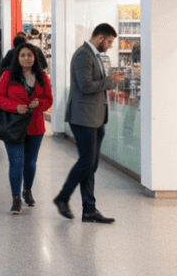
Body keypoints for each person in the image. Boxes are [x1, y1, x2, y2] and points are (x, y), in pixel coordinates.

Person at [54, 23, 123, 224]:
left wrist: (109, 81)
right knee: (86, 162)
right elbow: (85, 86)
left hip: (95, 117)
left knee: (90, 164)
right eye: (109, 41)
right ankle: (63, 198)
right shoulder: (84, 55)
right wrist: (110, 82)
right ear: (100, 37)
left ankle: (89, 209)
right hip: (84, 117)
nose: (110, 46)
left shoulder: (94, 55)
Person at [0, 43, 53, 214]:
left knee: (30, 163)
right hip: (13, 126)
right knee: (16, 162)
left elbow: (48, 99)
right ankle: (16, 198)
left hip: (35, 126)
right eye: (22, 55)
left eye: (30, 55)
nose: (26, 58)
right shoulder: (8, 75)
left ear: (35, 58)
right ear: (17, 58)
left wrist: (39, 103)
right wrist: (15, 107)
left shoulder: (43, 77)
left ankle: (27, 191)